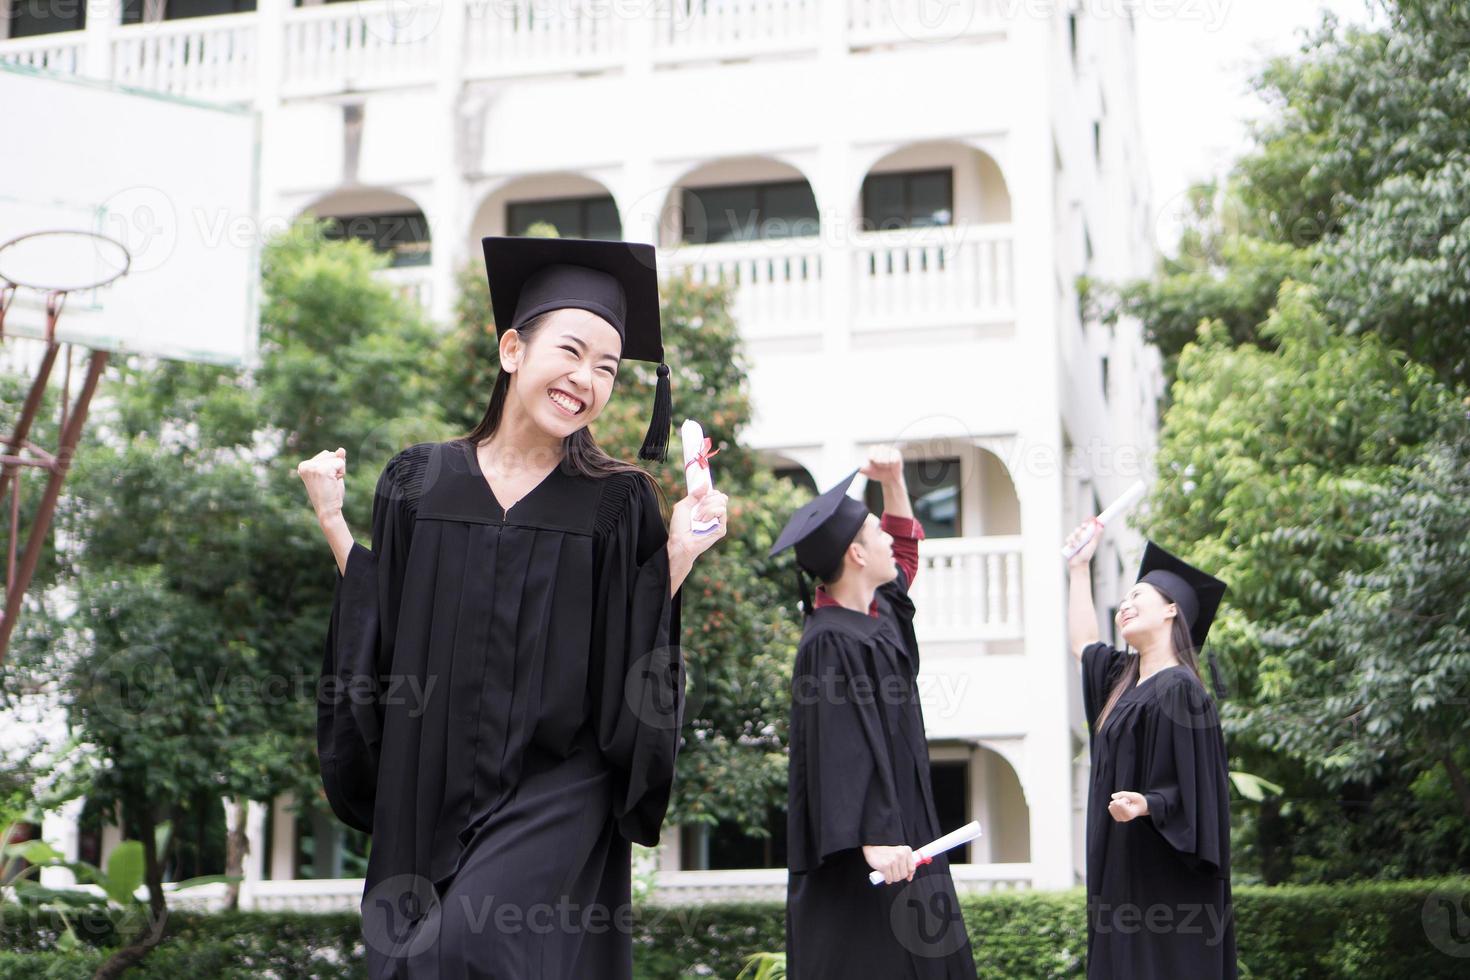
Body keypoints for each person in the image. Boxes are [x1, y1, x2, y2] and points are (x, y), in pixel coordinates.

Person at [297, 236, 729, 978]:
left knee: (477, 947)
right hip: (426, 780)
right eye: (571, 351)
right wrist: (334, 523)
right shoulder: (417, 482)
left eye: (607, 368)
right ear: (511, 350)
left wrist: (681, 552)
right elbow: (385, 622)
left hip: (556, 781)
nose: (587, 378)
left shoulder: (617, 502)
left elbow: (631, 642)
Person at [774, 447, 977, 979]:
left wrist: (893, 482)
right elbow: (833, 749)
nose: (888, 535)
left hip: (906, 828)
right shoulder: (827, 642)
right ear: (856, 556)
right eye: (874, 531)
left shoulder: (877, 613)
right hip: (864, 850)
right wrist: (870, 839)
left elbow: (904, 554)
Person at [1064, 522, 1237, 979]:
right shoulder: (1122, 684)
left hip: (1163, 876)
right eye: (1123, 599)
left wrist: (1150, 803)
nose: (1125, 604)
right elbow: (1083, 645)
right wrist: (1079, 567)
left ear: (1171, 610)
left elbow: (1202, 796)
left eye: (1138, 595)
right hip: (1119, 869)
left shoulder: (1183, 692)